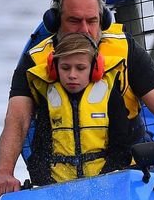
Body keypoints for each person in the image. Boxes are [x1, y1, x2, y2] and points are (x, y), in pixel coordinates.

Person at [0, 0, 154, 197]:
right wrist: (4, 172)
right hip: (56, 189)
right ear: (54, 22)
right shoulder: (33, 62)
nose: (84, 30)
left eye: (91, 21)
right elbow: (17, 120)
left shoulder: (126, 53)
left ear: (103, 20)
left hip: (125, 181)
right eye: (74, 21)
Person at [26, 32, 131, 182]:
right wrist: (48, 186)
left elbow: (121, 149)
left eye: (80, 68)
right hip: (57, 187)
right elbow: (39, 153)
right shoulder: (49, 97)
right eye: (65, 68)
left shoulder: (110, 95)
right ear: (54, 68)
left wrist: (102, 182)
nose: (72, 75)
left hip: (104, 183)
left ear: (95, 68)